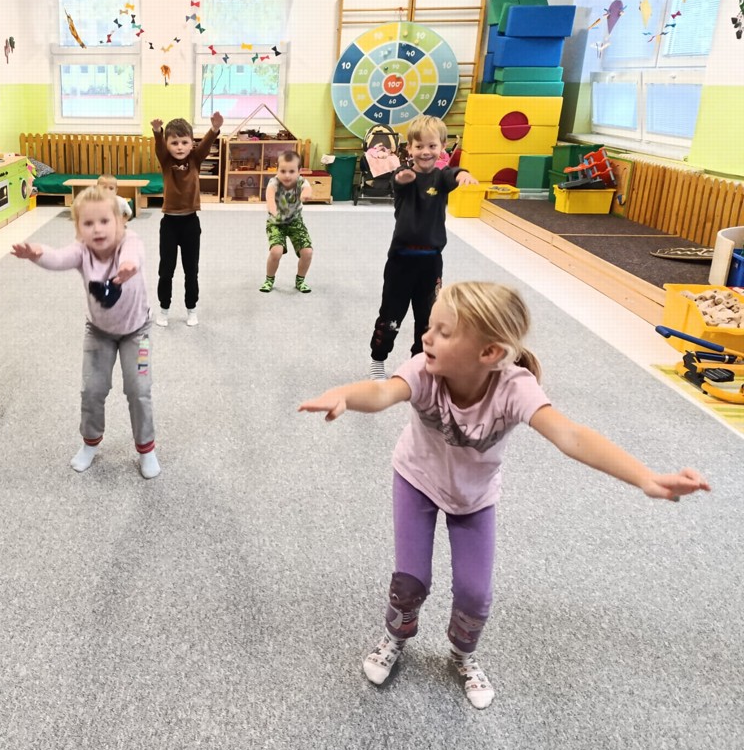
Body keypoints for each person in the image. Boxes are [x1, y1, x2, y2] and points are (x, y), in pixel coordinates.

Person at [298, 281, 709, 709]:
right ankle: (395, 637)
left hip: (474, 497)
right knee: (410, 580)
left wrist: (645, 478)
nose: (426, 337)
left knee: (475, 594)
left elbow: (570, 435)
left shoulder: (514, 387)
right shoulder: (423, 369)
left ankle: (462, 654)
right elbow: (383, 392)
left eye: (443, 332)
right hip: (417, 479)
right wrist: (345, 394)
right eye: (430, 326)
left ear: (489, 352)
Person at [11, 185, 160, 479]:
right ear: (79, 229)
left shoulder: (130, 241)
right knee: (92, 390)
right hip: (99, 332)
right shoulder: (82, 251)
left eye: (105, 221)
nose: (97, 229)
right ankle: (90, 442)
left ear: (120, 222)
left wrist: (128, 265)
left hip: (138, 333)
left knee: (139, 389)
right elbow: (59, 258)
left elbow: (133, 254)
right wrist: (37, 254)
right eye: (88, 223)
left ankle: (146, 448)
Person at [367, 115, 477, 380]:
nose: (425, 151)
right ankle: (378, 360)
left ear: (442, 147)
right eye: (419, 146)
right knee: (391, 316)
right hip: (401, 261)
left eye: (432, 146)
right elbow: (399, 180)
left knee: (428, 318)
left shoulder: (441, 178)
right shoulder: (402, 176)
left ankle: (419, 364)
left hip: (431, 262)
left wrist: (463, 173)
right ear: (409, 148)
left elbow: (452, 174)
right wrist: (405, 177)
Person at [151, 111, 223, 327]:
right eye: (174, 143)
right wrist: (157, 132)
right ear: (168, 145)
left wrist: (214, 129)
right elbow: (159, 148)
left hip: (190, 223)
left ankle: (191, 309)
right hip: (169, 225)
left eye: (184, 142)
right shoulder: (166, 160)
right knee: (166, 270)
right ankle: (164, 309)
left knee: (191, 270)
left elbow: (206, 145)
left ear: (192, 143)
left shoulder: (195, 159)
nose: (180, 147)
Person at [259, 149, 314, 293]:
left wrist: (305, 195)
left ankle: (300, 280)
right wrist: (273, 210)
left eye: (292, 171)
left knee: (307, 252)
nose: (287, 175)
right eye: (283, 171)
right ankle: (269, 279)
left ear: (299, 171)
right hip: (276, 223)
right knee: (276, 252)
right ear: (277, 170)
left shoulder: (302, 181)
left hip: (295, 222)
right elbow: (270, 198)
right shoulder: (274, 182)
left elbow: (307, 189)